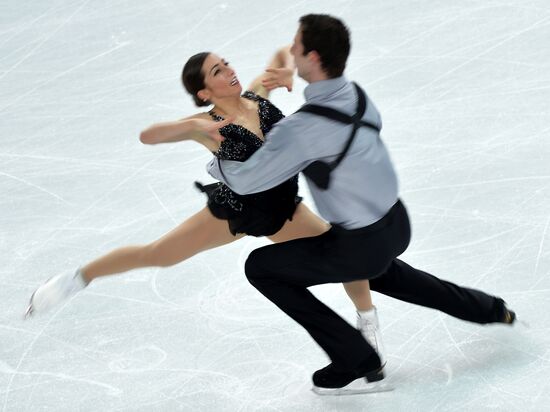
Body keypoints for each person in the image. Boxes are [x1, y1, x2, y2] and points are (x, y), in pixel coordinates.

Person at [207, 14, 516, 395]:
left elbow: (249, 179)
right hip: (396, 223)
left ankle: (356, 360)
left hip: (360, 243)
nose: (293, 53)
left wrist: (216, 159)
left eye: (298, 48)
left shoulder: (300, 129)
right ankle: (491, 309)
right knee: (393, 276)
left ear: (315, 58)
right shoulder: (356, 95)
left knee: (262, 267)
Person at [24, 45, 385, 361]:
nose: (229, 70)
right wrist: (192, 129)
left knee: (345, 253)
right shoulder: (204, 121)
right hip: (236, 211)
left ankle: (367, 323)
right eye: (217, 70)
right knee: (158, 254)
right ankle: (77, 278)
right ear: (203, 92)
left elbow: (279, 56)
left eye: (226, 64)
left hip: (285, 211)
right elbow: (148, 135)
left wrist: (285, 68)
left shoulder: (258, 96)